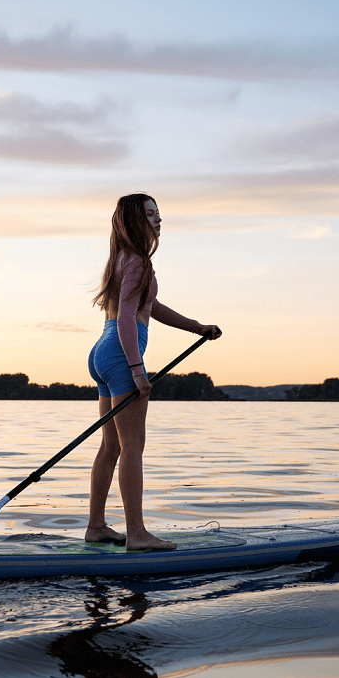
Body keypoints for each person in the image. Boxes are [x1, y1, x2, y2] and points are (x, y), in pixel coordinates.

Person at [86, 193, 222, 550]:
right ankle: (137, 534)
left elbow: (151, 306)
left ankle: (96, 526)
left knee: (111, 445)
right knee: (133, 446)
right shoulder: (139, 262)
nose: (158, 219)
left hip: (102, 351)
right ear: (135, 220)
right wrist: (136, 368)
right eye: (150, 214)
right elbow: (130, 316)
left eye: (159, 212)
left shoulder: (121, 258)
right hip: (119, 354)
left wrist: (197, 327)